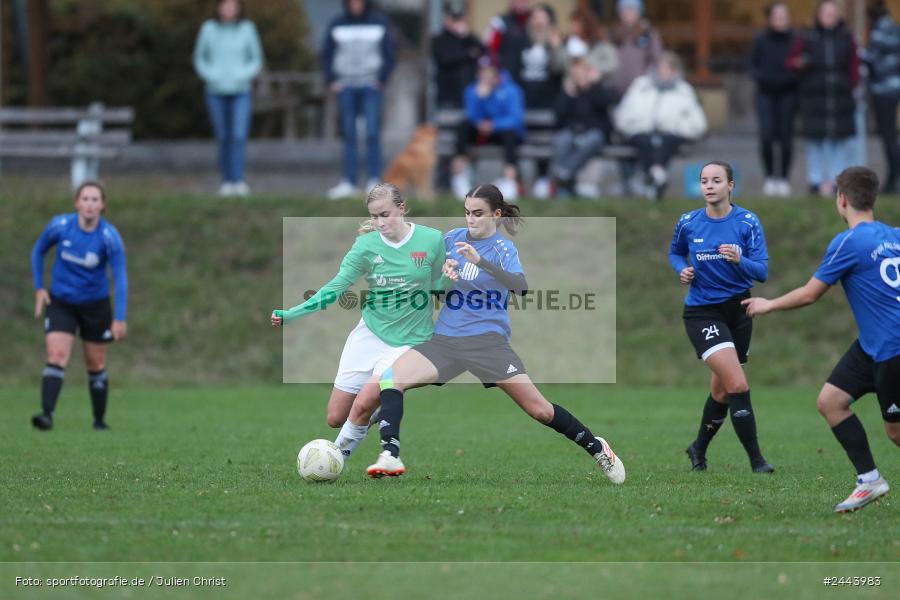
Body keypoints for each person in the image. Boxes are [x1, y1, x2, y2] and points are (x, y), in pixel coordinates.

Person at [352, 184, 625, 484]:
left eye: (478, 213)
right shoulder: (451, 239)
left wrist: (481, 262)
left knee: (540, 411)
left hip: (487, 344)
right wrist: (444, 274)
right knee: (393, 379)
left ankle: (598, 449)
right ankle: (390, 454)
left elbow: (521, 288)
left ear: (496, 214)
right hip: (446, 340)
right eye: (467, 212)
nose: (471, 219)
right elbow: (434, 284)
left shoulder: (503, 249)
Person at [743, 166, 899, 513]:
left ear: (841, 200)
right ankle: (870, 479)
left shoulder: (848, 241)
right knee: (830, 401)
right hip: (872, 345)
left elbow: (810, 295)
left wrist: (768, 304)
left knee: (896, 433)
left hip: (892, 348)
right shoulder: (895, 235)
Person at [271, 183, 446, 454]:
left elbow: (438, 289)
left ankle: (335, 456)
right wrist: (292, 314)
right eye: (374, 216)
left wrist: (454, 284)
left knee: (364, 402)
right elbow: (336, 287)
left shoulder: (432, 240)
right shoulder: (366, 246)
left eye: (385, 214)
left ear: (401, 209)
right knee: (335, 417)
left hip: (409, 341)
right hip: (371, 333)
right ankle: (379, 402)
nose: (379, 222)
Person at [668, 161, 774, 474]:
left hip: (739, 310)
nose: (709, 186)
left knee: (722, 391)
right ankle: (757, 461)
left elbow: (763, 272)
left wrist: (741, 259)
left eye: (716, 180)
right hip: (703, 313)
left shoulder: (748, 222)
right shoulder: (688, 222)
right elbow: (676, 253)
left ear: (731, 185)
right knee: (738, 385)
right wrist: (681, 270)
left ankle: (698, 448)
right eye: (704, 181)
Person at [30, 182, 128, 431]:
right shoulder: (60, 226)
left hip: (95, 306)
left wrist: (119, 318)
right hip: (61, 302)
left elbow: (120, 278)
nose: (89, 204)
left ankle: (99, 421)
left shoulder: (109, 237)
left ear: (103, 205)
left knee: (95, 363)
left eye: (95, 200)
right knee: (57, 355)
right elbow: (38, 250)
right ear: (76, 203)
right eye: (85, 199)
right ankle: (47, 415)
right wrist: (39, 288)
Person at [321, 0, 396, 200]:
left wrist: (381, 79)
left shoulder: (379, 22)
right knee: (349, 135)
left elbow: (390, 53)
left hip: (371, 86)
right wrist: (331, 80)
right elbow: (326, 54)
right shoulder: (337, 23)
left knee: (372, 133)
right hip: (345, 86)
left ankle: (373, 180)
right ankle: (349, 181)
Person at [192, 0, 264, 198]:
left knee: (238, 136)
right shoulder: (208, 29)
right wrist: (211, 75)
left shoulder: (248, 29)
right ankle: (226, 181)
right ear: (218, 7)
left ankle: (238, 181)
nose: (228, 9)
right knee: (223, 137)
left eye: (232, 5)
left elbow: (256, 58)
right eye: (225, 5)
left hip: (241, 90)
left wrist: (243, 75)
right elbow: (199, 58)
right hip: (215, 90)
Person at [787, 0, 859, 197]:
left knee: (838, 142)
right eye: (826, 13)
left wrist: (851, 85)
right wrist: (801, 64)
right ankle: (815, 181)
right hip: (814, 97)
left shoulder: (846, 38)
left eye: (832, 13)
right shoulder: (807, 38)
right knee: (815, 142)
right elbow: (792, 62)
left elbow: (854, 65)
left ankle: (837, 182)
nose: (829, 17)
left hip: (840, 97)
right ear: (818, 15)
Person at [613, 52, 707, 199]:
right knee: (648, 141)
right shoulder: (640, 86)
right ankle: (658, 176)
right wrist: (641, 124)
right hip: (640, 132)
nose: (662, 72)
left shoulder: (684, 91)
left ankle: (653, 178)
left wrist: (674, 126)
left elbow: (698, 124)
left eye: (667, 69)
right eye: (660, 68)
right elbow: (623, 115)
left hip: (671, 135)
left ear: (675, 71)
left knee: (662, 141)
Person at [450, 58, 525, 201]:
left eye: (489, 74)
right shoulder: (472, 90)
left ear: (497, 76)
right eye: (482, 74)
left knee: (510, 134)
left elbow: (515, 119)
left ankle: (509, 180)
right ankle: (460, 175)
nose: (485, 78)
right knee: (463, 126)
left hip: (502, 133)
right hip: (481, 132)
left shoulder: (511, 90)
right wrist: (480, 99)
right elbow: (471, 116)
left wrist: (494, 125)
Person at [748, 2, 798, 198]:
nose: (780, 20)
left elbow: (801, 65)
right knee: (766, 136)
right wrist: (762, 78)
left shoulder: (796, 40)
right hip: (765, 94)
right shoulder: (761, 39)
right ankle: (769, 177)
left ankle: (783, 178)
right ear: (770, 18)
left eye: (783, 16)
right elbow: (751, 65)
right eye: (776, 16)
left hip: (788, 94)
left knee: (786, 138)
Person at [551, 57, 617, 197]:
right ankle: (565, 183)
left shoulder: (597, 89)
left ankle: (563, 172)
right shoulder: (570, 91)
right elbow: (558, 117)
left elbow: (607, 102)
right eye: (576, 74)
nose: (579, 77)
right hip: (573, 132)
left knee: (591, 140)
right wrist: (567, 95)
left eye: (582, 73)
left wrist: (595, 85)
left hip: (594, 133)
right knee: (562, 140)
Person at [862, 0, 900, 194]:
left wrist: (857, 52)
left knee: (888, 136)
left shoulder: (878, 33)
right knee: (892, 134)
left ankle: (895, 176)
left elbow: (871, 59)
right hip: (895, 87)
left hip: (883, 90)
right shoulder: (894, 28)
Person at [432, 0, 484, 110]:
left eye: (459, 19)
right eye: (453, 19)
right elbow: (446, 59)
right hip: (448, 94)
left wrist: (467, 35)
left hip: (469, 93)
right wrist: (469, 54)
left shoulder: (468, 38)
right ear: (446, 19)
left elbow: (482, 50)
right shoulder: (439, 39)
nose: (456, 22)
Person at [563, 6, 619, 81]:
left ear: (586, 24)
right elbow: (567, 67)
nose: (572, 27)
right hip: (577, 86)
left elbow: (613, 64)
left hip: (598, 86)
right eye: (572, 23)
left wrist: (592, 66)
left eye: (576, 24)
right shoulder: (571, 42)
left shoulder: (600, 43)